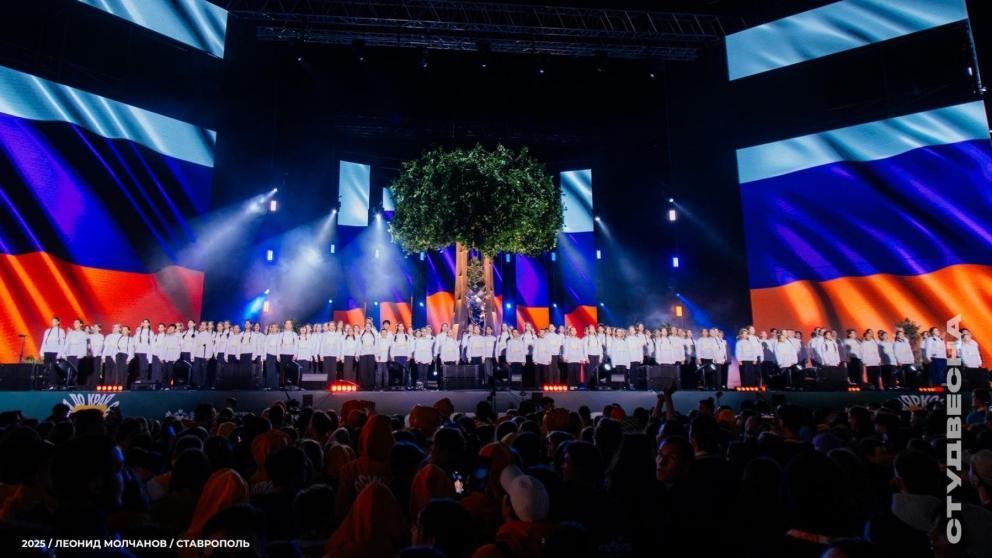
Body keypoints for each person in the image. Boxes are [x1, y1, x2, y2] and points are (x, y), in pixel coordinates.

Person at [56, 319, 88, 388]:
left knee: (77, 370)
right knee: (70, 369)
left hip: (78, 355)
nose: (75, 324)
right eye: (74, 323)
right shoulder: (71, 333)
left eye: (76, 323)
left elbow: (84, 345)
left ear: (80, 324)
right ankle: (69, 384)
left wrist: (83, 354)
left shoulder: (83, 334)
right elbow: (67, 344)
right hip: (70, 354)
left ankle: (77, 385)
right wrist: (64, 353)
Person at [357, 324, 378, 390]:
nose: (368, 327)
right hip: (363, 354)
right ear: (365, 327)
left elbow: (376, 346)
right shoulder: (361, 335)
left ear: (371, 328)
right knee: (363, 370)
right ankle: (363, 385)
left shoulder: (374, 335)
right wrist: (357, 354)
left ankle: (371, 385)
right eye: (366, 326)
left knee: (371, 370)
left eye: (369, 326)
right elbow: (359, 345)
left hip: (371, 354)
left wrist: (376, 355)